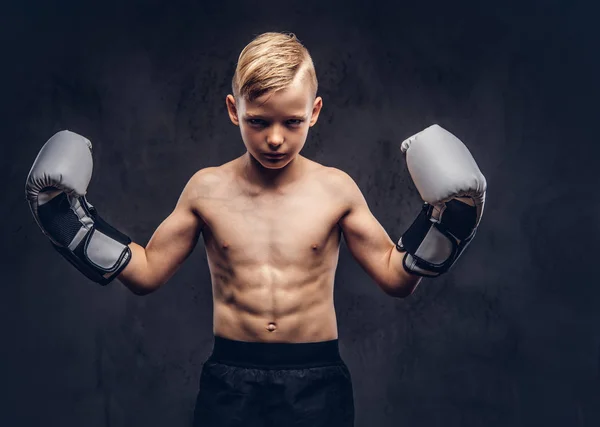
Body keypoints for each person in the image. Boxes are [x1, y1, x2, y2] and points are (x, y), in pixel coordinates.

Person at [25, 32, 487, 427]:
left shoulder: (335, 189)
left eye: (292, 121)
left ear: (315, 111)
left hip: (317, 379)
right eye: (258, 121)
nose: (275, 138)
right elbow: (146, 273)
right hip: (231, 379)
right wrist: (68, 220)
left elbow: (395, 278)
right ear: (233, 109)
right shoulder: (206, 189)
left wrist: (448, 216)